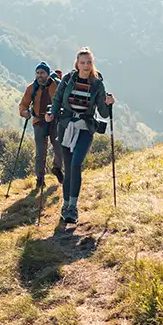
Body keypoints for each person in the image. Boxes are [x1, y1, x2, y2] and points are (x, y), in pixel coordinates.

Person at [46, 47, 115, 223]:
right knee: (68, 167)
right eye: (82, 62)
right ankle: (66, 206)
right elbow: (57, 99)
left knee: (76, 164)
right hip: (66, 126)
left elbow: (103, 113)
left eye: (89, 62)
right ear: (77, 63)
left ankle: (73, 208)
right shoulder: (68, 79)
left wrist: (109, 103)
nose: (85, 65)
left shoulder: (97, 83)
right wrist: (52, 114)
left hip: (85, 127)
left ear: (93, 63)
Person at [19, 62, 64, 188]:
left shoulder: (57, 85)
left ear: (48, 74)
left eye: (42, 73)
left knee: (59, 147)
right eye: (38, 73)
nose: (40, 76)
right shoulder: (31, 88)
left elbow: (64, 100)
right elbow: (23, 104)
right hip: (39, 121)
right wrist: (24, 112)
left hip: (55, 121)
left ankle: (57, 168)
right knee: (40, 152)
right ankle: (40, 179)